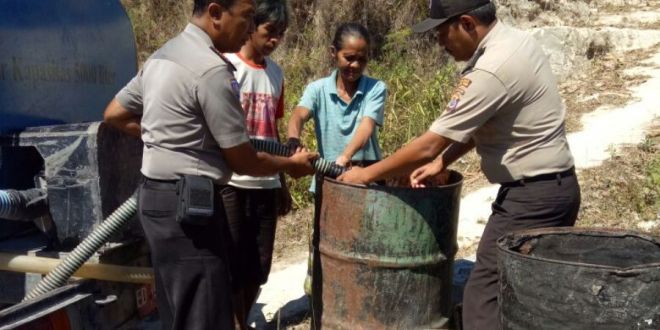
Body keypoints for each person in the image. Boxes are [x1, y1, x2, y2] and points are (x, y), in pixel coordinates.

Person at [337, 1, 581, 329]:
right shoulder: (517, 42)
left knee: (483, 298)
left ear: (466, 23)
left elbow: (428, 144)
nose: (440, 43)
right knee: (527, 296)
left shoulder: (491, 69)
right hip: (554, 189)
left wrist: (365, 175)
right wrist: (443, 161)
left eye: (442, 32)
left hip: (531, 199)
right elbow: (482, 123)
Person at [102, 0, 317, 329]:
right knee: (204, 314)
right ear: (216, 13)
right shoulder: (212, 69)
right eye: (245, 18)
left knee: (181, 309)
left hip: (155, 200)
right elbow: (242, 158)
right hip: (189, 207)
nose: (248, 27)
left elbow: (115, 113)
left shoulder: (162, 56)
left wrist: (165, 138)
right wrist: (290, 164)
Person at [220, 0, 291, 328]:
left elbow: (274, 128)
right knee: (232, 262)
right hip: (232, 181)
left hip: (266, 182)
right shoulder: (225, 65)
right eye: (270, 31)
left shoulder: (276, 74)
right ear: (251, 27)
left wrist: (283, 182)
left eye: (281, 34)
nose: (275, 40)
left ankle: (243, 318)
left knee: (258, 265)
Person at [287, 22, 387, 184]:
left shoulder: (375, 88)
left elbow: (366, 127)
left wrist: (345, 156)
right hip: (328, 173)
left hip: (366, 174)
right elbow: (298, 115)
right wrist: (293, 140)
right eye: (349, 58)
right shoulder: (317, 89)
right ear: (333, 52)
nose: (355, 65)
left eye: (362, 59)